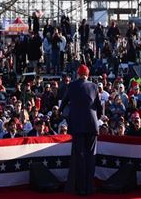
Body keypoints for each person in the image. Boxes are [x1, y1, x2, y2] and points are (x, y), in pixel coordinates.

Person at [61, 64, 102, 196]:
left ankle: (80, 188)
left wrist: (66, 114)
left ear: (78, 74)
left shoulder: (72, 86)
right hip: (92, 125)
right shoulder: (94, 86)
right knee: (91, 156)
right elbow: (99, 108)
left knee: (79, 157)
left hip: (77, 126)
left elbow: (63, 103)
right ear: (88, 74)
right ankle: (90, 187)